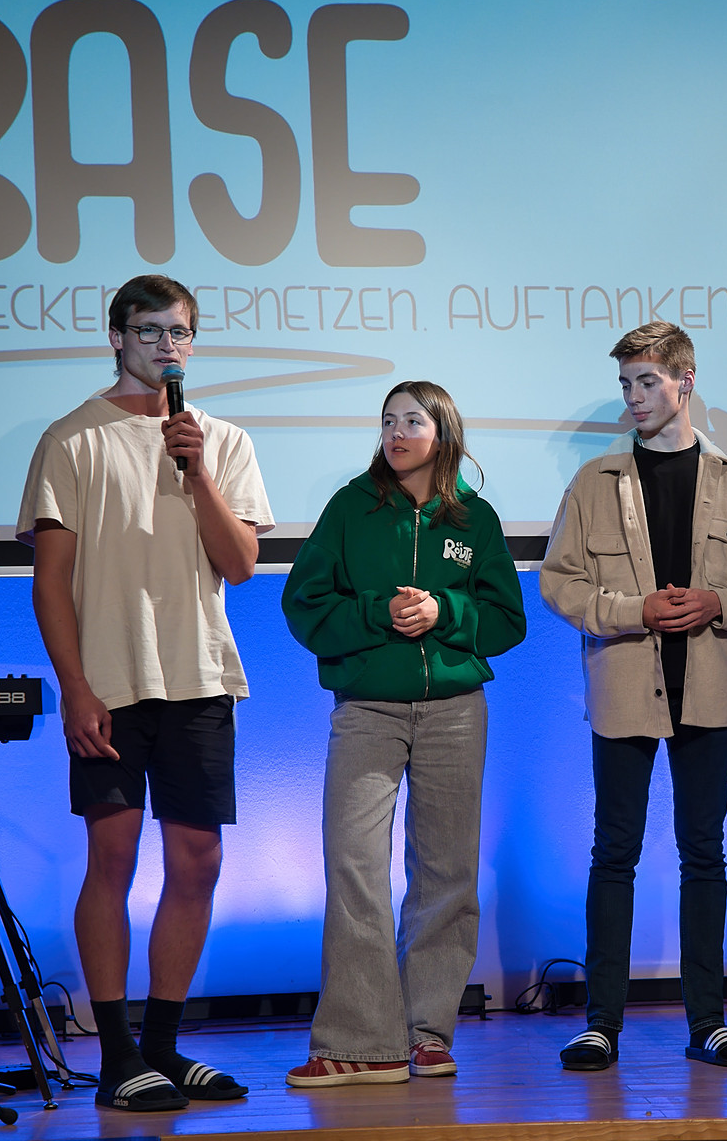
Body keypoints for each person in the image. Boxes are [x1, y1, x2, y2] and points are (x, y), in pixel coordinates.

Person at [18, 274, 272, 1111]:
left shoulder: (221, 440)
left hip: (198, 675)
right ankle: (117, 1054)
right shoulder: (72, 439)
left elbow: (240, 563)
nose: (167, 345)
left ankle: (162, 1045)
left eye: (180, 332)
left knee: (198, 861)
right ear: (117, 337)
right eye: (150, 330)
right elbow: (50, 582)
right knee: (114, 858)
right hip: (111, 683)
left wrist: (196, 473)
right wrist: (75, 688)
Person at [540, 321, 727, 1071]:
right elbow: (559, 583)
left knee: (703, 853)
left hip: (705, 693)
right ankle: (601, 1024)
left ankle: (708, 1022)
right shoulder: (595, 482)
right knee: (613, 852)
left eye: (647, 382)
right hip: (623, 689)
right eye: (626, 385)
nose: (635, 398)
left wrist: (716, 603)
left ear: (686, 381)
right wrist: (631, 611)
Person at [280, 380, 525, 1087]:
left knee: (447, 872)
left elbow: (507, 620)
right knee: (354, 866)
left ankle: (426, 1034)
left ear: (442, 432)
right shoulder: (351, 508)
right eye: (388, 421)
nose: (396, 433)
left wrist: (446, 611)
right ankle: (360, 1041)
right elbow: (304, 605)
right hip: (367, 709)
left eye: (412, 421)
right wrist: (377, 611)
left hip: (455, 710)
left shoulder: (474, 517)